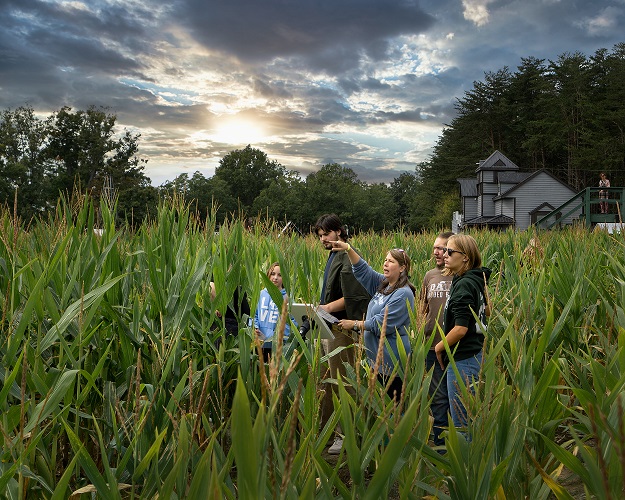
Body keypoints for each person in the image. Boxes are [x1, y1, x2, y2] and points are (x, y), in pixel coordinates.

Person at [315, 214, 370, 455]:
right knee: (326, 380)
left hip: (341, 329)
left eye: (326, 234)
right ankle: (327, 430)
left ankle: (344, 433)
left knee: (341, 382)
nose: (323, 239)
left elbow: (354, 297)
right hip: (328, 325)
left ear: (339, 231)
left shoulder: (348, 256)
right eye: (319, 235)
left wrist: (326, 308)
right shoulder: (333, 256)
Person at [332, 243, 416, 403]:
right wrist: (348, 249)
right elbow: (364, 271)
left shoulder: (403, 293)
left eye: (391, 261)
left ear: (402, 268)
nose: (385, 263)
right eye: (385, 260)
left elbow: (381, 324)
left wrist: (355, 324)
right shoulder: (384, 285)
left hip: (391, 363)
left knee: (392, 408)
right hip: (376, 360)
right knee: (379, 406)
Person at [435, 234, 490, 433]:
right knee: (469, 417)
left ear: (465, 257)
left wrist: (439, 348)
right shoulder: (473, 279)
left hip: (463, 359)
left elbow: (460, 328)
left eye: (450, 252)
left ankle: (466, 463)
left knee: (462, 422)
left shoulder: (466, 284)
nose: (444, 255)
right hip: (474, 355)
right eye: (444, 250)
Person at [419, 231, 453, 449]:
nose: (436, 252)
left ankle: (459, 441)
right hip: (432, 346)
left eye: (441, 248)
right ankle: (441, 444)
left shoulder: (461, 275)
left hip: (457, 347)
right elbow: (422, 308)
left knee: (457, 396)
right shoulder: (430, 275)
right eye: (434, 248)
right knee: (438, 398)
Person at [254, 262, 292, 361]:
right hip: (261, 342)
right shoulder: (261, 294)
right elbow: (255, 314)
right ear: (268, 275)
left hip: (277, 345)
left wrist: (281, 335)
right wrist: (254, 327)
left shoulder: (287, 298)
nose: (275, 277)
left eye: (280, 275)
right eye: (273, 274)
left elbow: (292, 321)